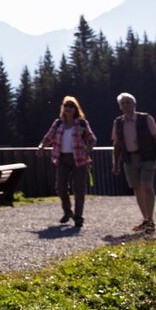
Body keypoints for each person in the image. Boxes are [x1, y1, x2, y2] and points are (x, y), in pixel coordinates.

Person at [34, 95, 97, 228]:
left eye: (71, 106)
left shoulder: (81, 123)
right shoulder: (58, 123)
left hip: (79, 160)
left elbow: (92, 139)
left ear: (75, 109)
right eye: (66, 106)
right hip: (62, 158)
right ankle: (68, 211)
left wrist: (88, 150)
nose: (68, 108)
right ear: (63, 108)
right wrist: (41, 147)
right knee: (61, 188)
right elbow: (48, 137)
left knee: (79, 189)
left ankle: (78, 217)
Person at [111, 92, 156, 234]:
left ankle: (150, 219)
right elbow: (117, 144)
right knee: (136, 188)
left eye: (128, 102)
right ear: (119, 106)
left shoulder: (146, 118)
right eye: (123, 103)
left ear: (134, 104)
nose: (126, 105)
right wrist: (115, 163)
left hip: (147, 157)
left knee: (147, 185)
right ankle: (145, 219)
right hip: (129, 158)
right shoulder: (118, 122)